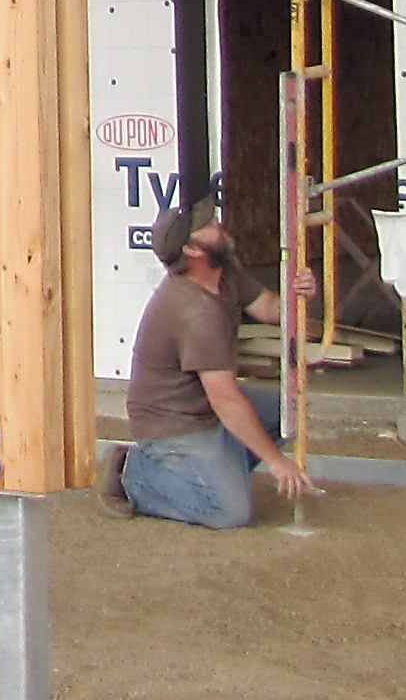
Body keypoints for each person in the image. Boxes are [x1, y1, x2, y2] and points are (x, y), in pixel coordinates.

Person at [109, 201, 321, 528]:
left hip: (205, 410)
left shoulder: (223, 272)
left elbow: (268, 308)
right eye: (208, 225)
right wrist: (276, 461)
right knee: (229, 512)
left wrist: (299, 295)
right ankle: (131, 472)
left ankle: (217, 470)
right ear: (193, 250)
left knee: (287, 410)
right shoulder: (195, 312)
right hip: (177, 425)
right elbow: (225, 399)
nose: (218, 223)